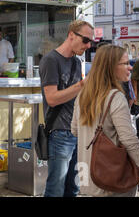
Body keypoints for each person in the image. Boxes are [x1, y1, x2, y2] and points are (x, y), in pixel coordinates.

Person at [71, 45, 139, 196]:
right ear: (111, 67)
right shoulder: (115, 97)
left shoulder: (82, 95)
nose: (130, 68)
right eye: (125, 63)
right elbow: (129, 140)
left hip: (88, 177)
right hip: (112, 179)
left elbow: (75, 130)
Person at [39, 20, 94, 197]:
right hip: (60, 133)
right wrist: (82, 85)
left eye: (91, 41)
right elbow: (52, 99)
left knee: (74, 188)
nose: (88, 45)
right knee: (56, 189)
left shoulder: (77, 63)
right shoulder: (50, 60)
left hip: (77, 131)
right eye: (85, 40)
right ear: (71, 35)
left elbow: (76, 97)